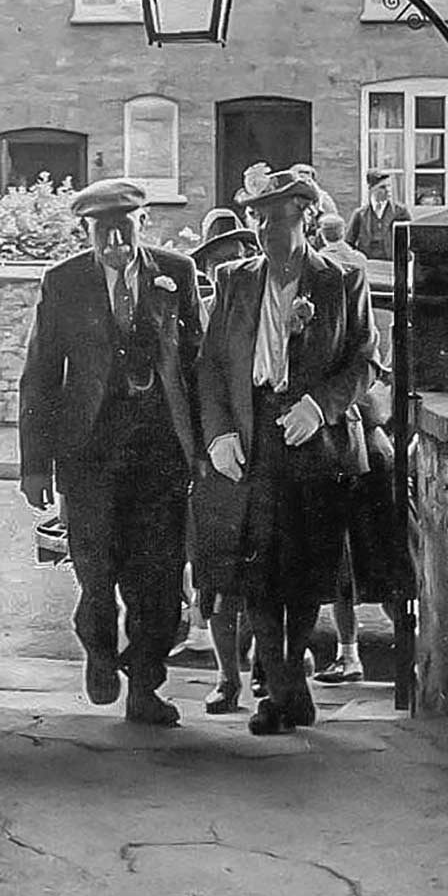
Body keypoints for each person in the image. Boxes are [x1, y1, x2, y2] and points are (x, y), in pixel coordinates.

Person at [196, 163, 380, 735]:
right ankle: (283, 687)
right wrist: (220, 433)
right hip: (252, 441)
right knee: (254, 573)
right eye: (258, 218)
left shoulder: (341, 281)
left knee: (304, 571)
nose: (265, 231)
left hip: (313, 445)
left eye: (278, 218)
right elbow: (210, 368)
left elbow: (364, 360)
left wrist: (319, 407)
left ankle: (285, 688)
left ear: (306, 218)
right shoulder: (234, 281)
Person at [19, 177, 203, 727]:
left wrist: (205, 444)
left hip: (160, 452)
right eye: (103, 231)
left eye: (125, 228)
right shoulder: (64, 283)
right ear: (87, 231)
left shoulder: (177, 274)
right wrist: (35, 464)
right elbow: (40, 377)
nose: (115, 242)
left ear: (143, 225)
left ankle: (145, 685)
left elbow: (197, 363)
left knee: (161, 577)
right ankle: (100, 652)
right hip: (90, 453)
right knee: (96, 573)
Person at [186, 208, 264, 714]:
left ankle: (261, 668)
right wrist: (212, 441)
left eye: (238, 252)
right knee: (217, 578)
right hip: (214, 457)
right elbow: (198, 378)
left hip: (262, 452)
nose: (230, 263)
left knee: (262, 571)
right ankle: (226, 676)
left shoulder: (263, 305)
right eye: (220, 257)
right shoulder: (199, 313)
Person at [345, 171, 412, 262]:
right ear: (372, 189)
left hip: (393, 263)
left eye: (389, 186)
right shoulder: (360, 214)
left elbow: (412, 239)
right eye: (382, 187)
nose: (388, 190)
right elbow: (348, 242)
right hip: (369, 263)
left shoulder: (400, 212)